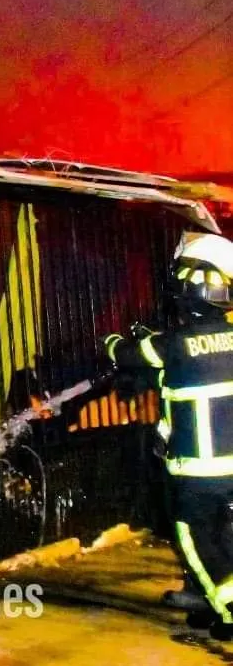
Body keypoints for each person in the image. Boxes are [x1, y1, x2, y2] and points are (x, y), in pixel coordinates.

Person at [102, 232, 233, 640]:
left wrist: (113, 341)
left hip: (197, 471)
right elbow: (188, 375)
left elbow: (126, 355)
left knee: (195, 538)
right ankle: (209, 599)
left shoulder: (171, 344)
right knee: (225, 536)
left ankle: (228, 609)